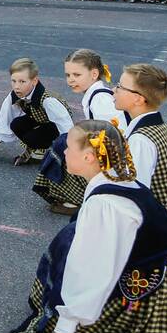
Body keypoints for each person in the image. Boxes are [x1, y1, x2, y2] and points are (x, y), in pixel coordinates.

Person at [10, 120, 167, 333]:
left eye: (68, 148)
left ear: (88, 157)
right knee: (70, 237)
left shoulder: (105, 204)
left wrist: (67, 323)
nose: (63, 152)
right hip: (150, 261)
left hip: (149, 279)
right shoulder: (118, 178)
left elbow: (94, 266)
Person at [34, 49, 123, 214]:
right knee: (67, 141)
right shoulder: (95, 95)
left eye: (76, 74)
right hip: (113, 155)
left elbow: (112, 138)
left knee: (65, 146)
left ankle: (79, 199)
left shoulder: (100, 100)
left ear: (94, 73)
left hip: (118, 161)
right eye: (68, 75)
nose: (70, 80)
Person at [0, 58, 74, 165]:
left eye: (22, 81)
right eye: (14, 81)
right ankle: (37, 148)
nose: (17, 86)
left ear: (34, 81)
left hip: (54, 125)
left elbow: (65, 124)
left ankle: (47, 148)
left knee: (31, 138)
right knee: (16, 124)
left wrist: (70, 151)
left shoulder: (48, 100)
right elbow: (7, 115)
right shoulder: (15, 94)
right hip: (40, 120)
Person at [116, 63, 167, 210]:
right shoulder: (162, 128)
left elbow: (136, 195)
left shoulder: (140, 140)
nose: (113, 90)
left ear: (138, 99)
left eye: (120, 86)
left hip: (158, 224)